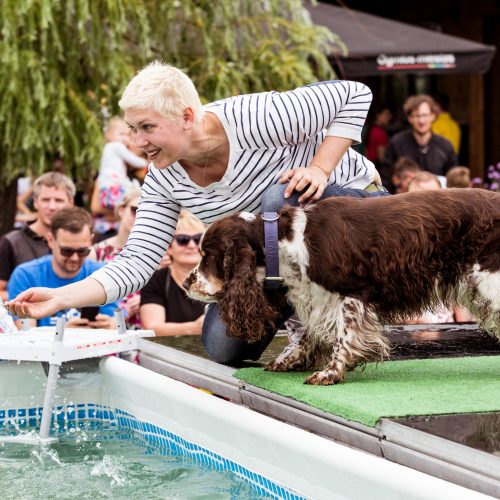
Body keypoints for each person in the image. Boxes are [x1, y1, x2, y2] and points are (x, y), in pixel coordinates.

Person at [7, 61, 389, 367]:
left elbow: (354, 93)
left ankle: (317, 328)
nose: (137, 143)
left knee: (276, 201)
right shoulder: (163, 179)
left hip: (358, 221)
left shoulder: (255, 117)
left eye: (147, 128)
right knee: (222, 345)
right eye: (132, 130)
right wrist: (61, 298)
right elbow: (138, 261)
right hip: (280, 259)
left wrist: (320, 168)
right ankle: (300, 322)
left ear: (187, 116)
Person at [8, 207, 118, 328]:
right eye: (67, 251)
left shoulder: (103, 273)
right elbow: (26, 335)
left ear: (91, 241)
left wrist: (111, 326)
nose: (75, 258)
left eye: (82, 251)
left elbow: (117, 321)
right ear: (50, 241)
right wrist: (64, 332)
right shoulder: (25, 275)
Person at [0, 172, 75, 300]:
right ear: (35, 202)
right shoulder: (12, 242)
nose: (51, 207)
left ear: (70, 203)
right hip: (25, 317)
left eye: (58, 200)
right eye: (45, 200)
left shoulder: (78, 242)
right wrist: (29, 297)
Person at [140, 210, 205, 336]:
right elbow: (152, 328)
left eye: (198, 239)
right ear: (168, 247)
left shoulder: (219, 277)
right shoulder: (156, 280)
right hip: (167, 352)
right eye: (183, 240)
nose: (192, 245)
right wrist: (194, 328)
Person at [89, 187, 143, 328]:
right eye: (135, 210)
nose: (140, 217)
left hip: (145, 331)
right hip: (108, 329)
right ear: (121, 210)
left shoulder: (162, 253)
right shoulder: (96, 252)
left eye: (148, 213)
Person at [381, 95, 458, 190]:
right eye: (417, 116)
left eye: (425, 115)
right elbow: (385, 179)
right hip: (405, 202)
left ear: (433, 116)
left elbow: (453, 182)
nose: (421, 121)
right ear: (410, 118)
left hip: (437, 202)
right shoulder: (396, 143)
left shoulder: (445, 146)